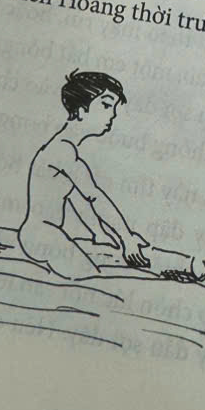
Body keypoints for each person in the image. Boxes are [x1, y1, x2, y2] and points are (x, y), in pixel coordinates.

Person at [17, 69, 149, 280]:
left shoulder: (66, 149)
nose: (113, 114)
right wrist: (127, 237)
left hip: (43, 234)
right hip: (42, 235)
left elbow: (76, 199)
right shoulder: (63, 150)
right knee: (89, 279)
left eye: (114, 108)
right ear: (80, 110)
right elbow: (93, 195)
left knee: (90, 275)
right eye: (106, 105)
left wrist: (98, 232)